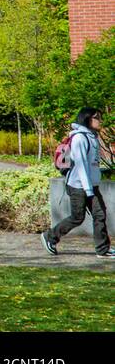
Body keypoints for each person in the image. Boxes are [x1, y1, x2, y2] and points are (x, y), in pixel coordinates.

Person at [42, 108, 114, 258]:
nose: (100, 120)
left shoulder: (92, 137)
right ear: (87, 119)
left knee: (99, 214)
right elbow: (81, 166)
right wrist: (88, 190)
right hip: (78, 186)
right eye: (97, 117)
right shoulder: (80, 138)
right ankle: (50, 236)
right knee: (77, 217)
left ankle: (102, 249)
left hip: (90, 185)